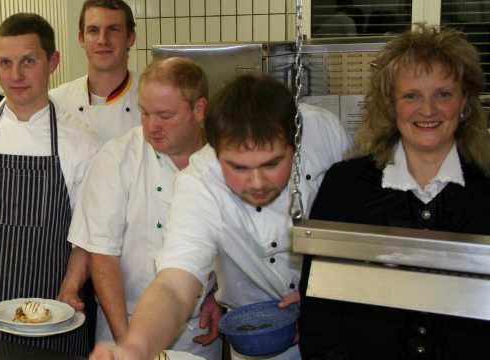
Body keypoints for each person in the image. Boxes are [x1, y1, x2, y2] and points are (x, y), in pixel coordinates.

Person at [90, 74, 349, 360]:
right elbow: (174, 285)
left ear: (295, 143)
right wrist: (136, 346)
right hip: (258, 336)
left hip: (341, 315)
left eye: (272, 163)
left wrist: (326, 291)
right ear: (215, 151)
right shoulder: (200, 182)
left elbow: (361, 219)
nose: (257, 182)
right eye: (238, 168)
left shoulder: (323, 130)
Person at [299, 25, 490, 360]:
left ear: (464, 103)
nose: (428, 110)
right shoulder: (345, 186)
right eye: (411, 95)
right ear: (390, 105)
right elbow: (319, 312)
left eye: (444, 94)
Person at [0, 13, 99, 355]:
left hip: (51, 311)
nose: (15, 75)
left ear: (53, 61)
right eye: (5, 62)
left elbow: (87, 236)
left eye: (28, 61)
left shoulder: (82, 142)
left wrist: (71, 290)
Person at [71, 57, 221, 360]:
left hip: (197, 333)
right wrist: (131, 345)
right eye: (145, 113)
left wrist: (220, 296)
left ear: (199, 110)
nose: (152, 126)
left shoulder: (224, 161)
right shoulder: (118, 157)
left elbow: (234, 243)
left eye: (165, 115)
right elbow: (103, 256)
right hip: (122, 322)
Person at [50, 0, 141, 143]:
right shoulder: (56, 102)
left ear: (131, 38)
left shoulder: (153, 100)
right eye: (93, 30)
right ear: (81, 38)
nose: (102, 40)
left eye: (113, 29)